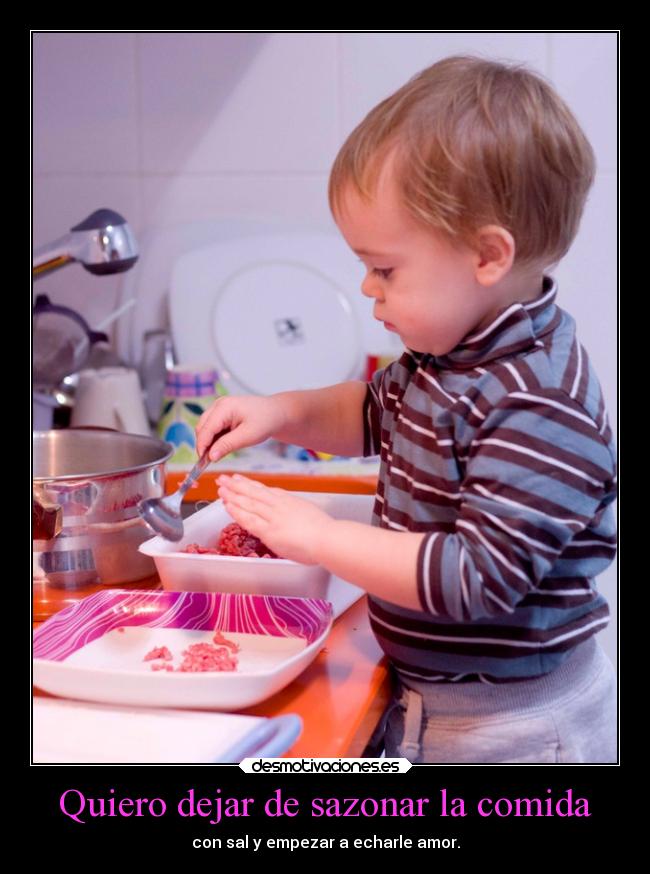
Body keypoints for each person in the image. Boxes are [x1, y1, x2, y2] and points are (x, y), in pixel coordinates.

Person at [196, 55, 617, 763]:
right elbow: (368, 410)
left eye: (385, 268)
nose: (367, 286)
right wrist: (280, 412)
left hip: (515, 727)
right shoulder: (448, 358)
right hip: (437, 700)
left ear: (487, 256)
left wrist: (315, 537)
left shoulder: (537, 401)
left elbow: (473, 579)